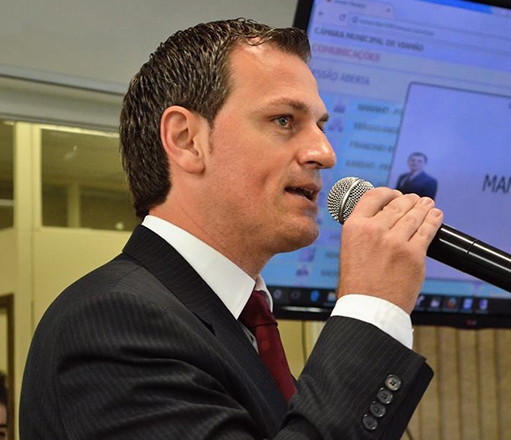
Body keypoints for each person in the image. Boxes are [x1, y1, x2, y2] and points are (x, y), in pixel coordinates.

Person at [20, 18, 443, 439]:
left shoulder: (240, 322)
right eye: (284, 120)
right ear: (186, 139)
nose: (324, 152)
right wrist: (370, 309)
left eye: (321, 126)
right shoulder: (115, 321)